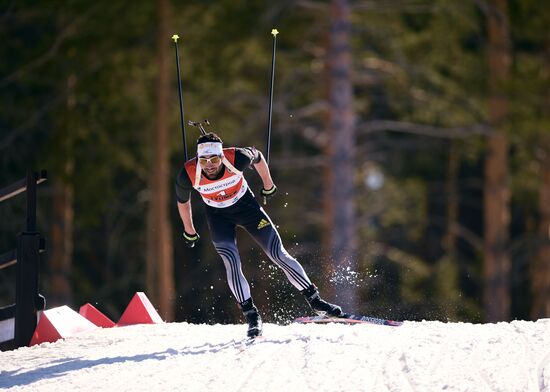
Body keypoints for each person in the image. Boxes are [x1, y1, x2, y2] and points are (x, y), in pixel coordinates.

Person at [175, 132, 344, 338]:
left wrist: (268, 184)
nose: (209, 165)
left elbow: (258, 157)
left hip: (247, 208)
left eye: (215, 159)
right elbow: (183, 202)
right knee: (231, 261)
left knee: (278, 253)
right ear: (198, 159)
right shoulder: (188, 172)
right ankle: (251, 315)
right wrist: (189, 230)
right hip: (218, 216)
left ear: (222, 156)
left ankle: (315, 301)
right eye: (203, 160)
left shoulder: (237, 157)